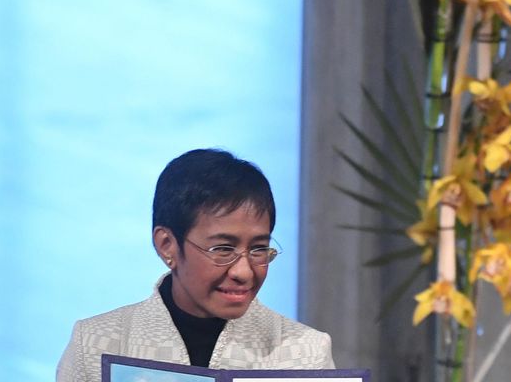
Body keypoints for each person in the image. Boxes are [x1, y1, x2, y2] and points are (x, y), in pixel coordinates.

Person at [57, 149, 334, 382]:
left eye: (258, 249)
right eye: (223, 249)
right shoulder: (96, 344)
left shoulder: (306, 352)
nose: (244, 272)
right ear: (167, 245)